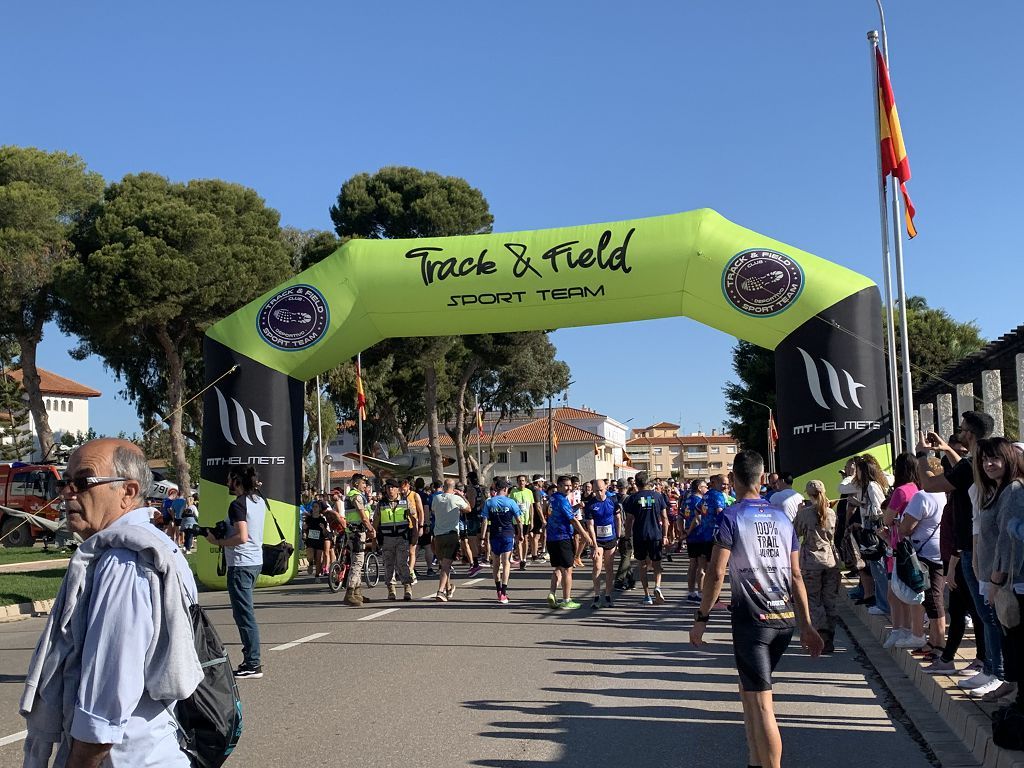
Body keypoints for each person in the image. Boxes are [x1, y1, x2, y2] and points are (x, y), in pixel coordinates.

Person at [21, 439, 202, 767]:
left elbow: (102, 711)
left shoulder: (123, 563)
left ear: (128, 492)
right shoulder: (154, 545)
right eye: (65, 482)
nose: (67, 493)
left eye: (83, 482)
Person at [690, 449, 822, 768]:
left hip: (753, 622)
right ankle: (754, 759)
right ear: (763, 479)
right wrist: (806, 625)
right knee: (748, 690)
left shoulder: (731, 516)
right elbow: (795, 575)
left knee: (762, 703)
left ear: (734, 480)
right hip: (784, 621)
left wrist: (701, 618)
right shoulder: (781, 518)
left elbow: (717, 573)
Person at [917, 411, 999, 693]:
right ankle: (989, 666)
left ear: (971, 434)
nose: (959, 432)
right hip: (969, 545)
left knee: (985, 614)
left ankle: (992, 669)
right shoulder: (974, 461)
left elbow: (930, 485)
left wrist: (921, 456)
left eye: (961, 429)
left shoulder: (974, 464)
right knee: (980, 612)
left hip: (973, 547)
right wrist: (947, 449)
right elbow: (961, 468)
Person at [207, 466, 266, 679]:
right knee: (245, 613)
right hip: (254, 562)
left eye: (229, 479)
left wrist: (219, 542)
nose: (227, 483)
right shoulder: (258, 501)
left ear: (237, 480)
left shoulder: (238, 505)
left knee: (244, 615)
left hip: (241, 564)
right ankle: (251, 660)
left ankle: (253, 663)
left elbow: (242, 536)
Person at [880, 453, 922, 649]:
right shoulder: (919, 489)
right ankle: (906, 629)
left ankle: (899, 629)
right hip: (915, 545)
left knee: (894, 591)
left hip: (898, 545)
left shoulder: (901, 491)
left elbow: (887, 519)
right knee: (907, 591)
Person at [794, 480, 840, 654]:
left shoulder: (805, 514)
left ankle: (821, 635)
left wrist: (799, 513)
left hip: (811, 561)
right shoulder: (831, 513)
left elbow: (795, 532)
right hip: (831, 560)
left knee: (813, 600)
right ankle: (831, 635)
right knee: (830, 599)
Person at [546, 475, 595, 609]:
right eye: (566, 485)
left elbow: (564, 513)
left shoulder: (553, 498)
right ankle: (566, 600)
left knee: (557, 567)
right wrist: (585, 535)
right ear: (560, 486)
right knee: (568, 569)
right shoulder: (561, 500)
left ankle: (552, 594)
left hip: (551, 538)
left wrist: (576, 507)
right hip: (562, 537)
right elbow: (572, 520)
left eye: (570, 485)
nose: (569, 488)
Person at [623, 471, 669, 606]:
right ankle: (658, 586)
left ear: (636, 483)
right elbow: (665, 518)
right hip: (655, 534)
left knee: (642, 565)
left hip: (639, 534)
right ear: (648, 482)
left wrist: (626, 537)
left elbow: (629, 520)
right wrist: (665, 536)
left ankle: (647, 595)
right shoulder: (658, 496)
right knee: (657, 564)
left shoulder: (632, 498)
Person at [480, 477, 522, 604]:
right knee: (506, 562)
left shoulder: (489, 502)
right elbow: (519, 520)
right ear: (505, 489)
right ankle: (503, 592)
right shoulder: (511, 502)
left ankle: (498, 589)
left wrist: (482, 537)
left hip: (494, 535)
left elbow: (485, 521)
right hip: (507, 533)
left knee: (496, 562)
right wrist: (520, 534)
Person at [374, 480, 415, 601]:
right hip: (387, 539)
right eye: (388, 488)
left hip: (402, 537)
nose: (390, 490)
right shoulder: (381, 504)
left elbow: (413, 516)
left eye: (392, 488)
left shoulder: (405, 502)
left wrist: (416, 533)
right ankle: (391, 589)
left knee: (402, 563)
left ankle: (407, 587)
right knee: (388, 564)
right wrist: (374, 537)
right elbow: (376, 521)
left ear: (397, 489)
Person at [584, 478, 621, 608]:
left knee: (609, 568)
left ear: (606, 488)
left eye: (601, 490)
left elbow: (618, 518)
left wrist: (618, 535)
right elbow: (590, 526)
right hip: (598, 540)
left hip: (611, 538)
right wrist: (594, 545)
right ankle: (596, 595)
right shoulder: (590, 504)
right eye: (596, 491)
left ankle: (608, 595)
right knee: (597, 567)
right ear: (593, 491)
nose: (599, 493)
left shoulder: (613, 500)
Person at [432, 478, 469, 601]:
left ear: (443, 487)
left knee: (443, 564)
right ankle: (440, 591)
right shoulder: (456, 498)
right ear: (453, 488)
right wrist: (462, 496)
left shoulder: (436, 498)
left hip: (438, 536)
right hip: (451, 534)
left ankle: (448, 588)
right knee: (446, 565)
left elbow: (433, 510)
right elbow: (468, 509)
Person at [342, 474, 375, 607]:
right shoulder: (355, 496)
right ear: (356, 483)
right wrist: (371, 529)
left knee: (358, 562)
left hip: (355, 532)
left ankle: (357, 592)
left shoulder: (356, 495)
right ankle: (349, 593)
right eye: (363, 483)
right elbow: (362, 515)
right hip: (356, 532)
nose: (365, 486)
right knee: (357, 562)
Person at [684, 479, 712, 602]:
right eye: (705, 486)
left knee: (692, 565)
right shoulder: (701, 501)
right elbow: (697, 519)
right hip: (700, 536)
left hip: (691, 539)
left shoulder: (687, 500)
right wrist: (689, 531)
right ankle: (701, 593)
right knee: (702, 566)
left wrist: (683, 532)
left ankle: (691, 592)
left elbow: (680, 517)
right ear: (700, 488)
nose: (707, 489)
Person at [400, 476, 424, 584]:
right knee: (403, 552)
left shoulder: (415, 495)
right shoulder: (399, 497)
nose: (402, 489)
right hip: (402, 527)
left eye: (404, 487)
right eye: (401, 487)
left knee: (411, 551)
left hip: (413, 526)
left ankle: (410, 572)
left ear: (408, 486)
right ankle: (408, 571)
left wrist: (421, 526)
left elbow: (421, 511)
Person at [510, 475, 535, 571]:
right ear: (517, 482)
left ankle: (524, 558)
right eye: (520, 481)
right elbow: (511, 505)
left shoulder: (529, 492)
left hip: (526, 519)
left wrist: (532, 520)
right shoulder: (513, 492)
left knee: (525, 538)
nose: (521, 482)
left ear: (526, 482)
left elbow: (531, 507)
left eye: (523, 480)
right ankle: (521, 559)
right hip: (516, 520)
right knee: (519, 539)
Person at [464, 471, 486, 577]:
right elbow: (482, 503)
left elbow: (471, 505)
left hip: (472, 517)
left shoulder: (471, 489)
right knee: (476, 541)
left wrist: (464, 500)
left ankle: (476, 563)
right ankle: (477, 561)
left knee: (472, 541)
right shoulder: (479, 489)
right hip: (478, 516)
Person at [304, 499, 330, 581]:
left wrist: (323, 528)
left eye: (316, 507)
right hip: (311, 539)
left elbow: (325, 533)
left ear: (319, 509)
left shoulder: (322, 519)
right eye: (313, 507)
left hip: (319, 540)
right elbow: (304, 529)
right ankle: (311, 563)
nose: (314, 508)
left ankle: (317, 575)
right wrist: (304, 529)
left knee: (318, 559)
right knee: (310, 556)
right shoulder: (309, 518)